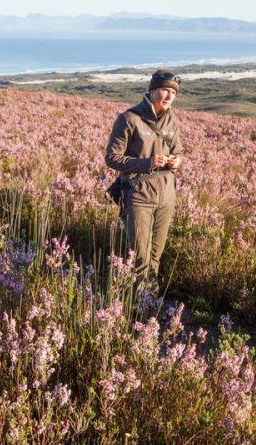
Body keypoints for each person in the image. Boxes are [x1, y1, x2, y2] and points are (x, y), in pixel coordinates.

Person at [105, 69, 185, 291]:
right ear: (152, 91)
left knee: (155, 256)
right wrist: (147, 163)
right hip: (139, 197)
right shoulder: (129, 119)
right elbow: (112, 158)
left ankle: (150, 300)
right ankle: (139, 308)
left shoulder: (172, 122)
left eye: (173, 93)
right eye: (164, 91)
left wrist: (177, 161)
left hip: (167, 197)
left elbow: (179, 150)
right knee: (140, 258)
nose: (169, 96)